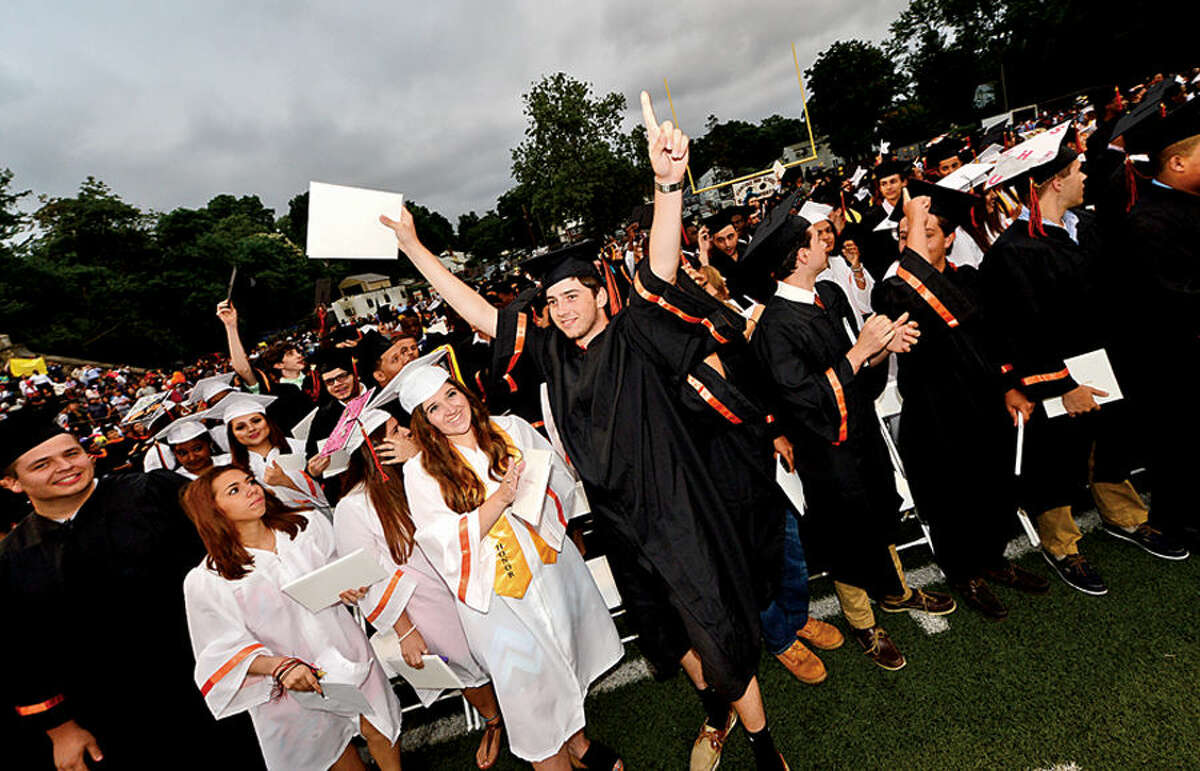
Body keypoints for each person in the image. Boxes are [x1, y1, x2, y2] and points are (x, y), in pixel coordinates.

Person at [382, 92, 790, 771]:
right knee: (666, 636)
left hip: (678, 510)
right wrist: (416, 249)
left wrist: (666, 184)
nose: (561, 306)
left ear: (601, 293)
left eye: (572, 294)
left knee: (714, 626)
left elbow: (659, 263)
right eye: (551, 300)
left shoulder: (636, 336)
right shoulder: (549, 355)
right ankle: (714, 711)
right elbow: (483, 315)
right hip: (618, 523)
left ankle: (762, 744)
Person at [748, 198, 955, 672]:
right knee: (846, 536)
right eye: (815, 238)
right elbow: (805, 401)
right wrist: (862, 351)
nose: (826, 241)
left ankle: (897, 592)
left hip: (862, 435)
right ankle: (863, 621)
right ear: (799, 255)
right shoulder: (775, 327)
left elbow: (858, 367)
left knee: (882, 511)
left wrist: (883, 349)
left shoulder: (831, 296)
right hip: (827, 450)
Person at [981, 126, 1186, 598]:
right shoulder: (1013, 253)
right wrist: (1060, 386)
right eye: (1076, 170)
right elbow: (1017, 334)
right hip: (1055, 377)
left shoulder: (1088, 228)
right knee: (1054, 462)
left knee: (1113, 441)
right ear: (1055, 180)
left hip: (1108, 365)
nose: (1085, 176)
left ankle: (1125, 515)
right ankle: (1061, 543)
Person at [396, 356, 623, 770]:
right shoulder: (421, 471)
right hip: (497, 599)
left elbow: (558, 483)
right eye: (433, 408)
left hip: (549, 571)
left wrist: (536, 497)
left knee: (566, 660)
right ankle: (553, 756)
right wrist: (500, 499)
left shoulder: (512, 428)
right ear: (424, 423)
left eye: (450, 394)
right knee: (530, 695)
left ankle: (577, 743)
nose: (449, 408)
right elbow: (439, 540)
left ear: (464, 392)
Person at [0, 409, 261, 770]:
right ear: (13, 483)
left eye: (72, 453)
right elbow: (21, 651)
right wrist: (60, 729)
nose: (65, 467)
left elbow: (239, 556)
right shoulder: (13, 557)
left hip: (217, 681)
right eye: (42, 464)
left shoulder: (156, 494)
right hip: (115, 716)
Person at [872, 187, 1051, 619]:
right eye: (905, 235)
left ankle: (992, 558)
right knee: (950, 497)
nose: (912, 241)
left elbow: (995, 339)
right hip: (934, 413)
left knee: (992, 486)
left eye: (926, 233)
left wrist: (1010, 385)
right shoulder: (891, 290)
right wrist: (913, 229)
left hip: (983, 402)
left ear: (950, 238)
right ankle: (964, 573)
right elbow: (905, 300)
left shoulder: (969, 278)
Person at [181, 466, 403, 771]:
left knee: (380, 725)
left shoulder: (305, 528)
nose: (252, 489)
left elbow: (342, 569)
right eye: (234, 490)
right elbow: (218, 650)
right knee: (331, 751)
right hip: (290, 682)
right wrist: (279, 667)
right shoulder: (209, 579)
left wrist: (350, 586)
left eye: (249, 481)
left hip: (344, 648)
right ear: (213, 510)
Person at [331, 403, 504, 769]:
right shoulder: (354, 507)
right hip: (425, 604)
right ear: (374, 449)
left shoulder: (425, 473)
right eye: (396, 431)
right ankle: (494, 720)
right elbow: (369, 579)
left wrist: (421, 460)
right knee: (464, 663)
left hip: (474, 574)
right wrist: (406, 631)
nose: (408, 433)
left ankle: (528, 714)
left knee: (506, 647)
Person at [1112, 95, 1200, 551]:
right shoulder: (1148, 221)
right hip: (1172, 363)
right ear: (1178, 163)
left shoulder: (1183, 207)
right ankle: (1179, 523)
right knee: (1181, 450)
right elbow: (1172, 298)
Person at [217, 393, 329, 513]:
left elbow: (325, 498)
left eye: (256, 421)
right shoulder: (230, 467)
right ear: (232, 434)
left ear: (267, 421)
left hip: (318, 518)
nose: (251, 429)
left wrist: (286, 482)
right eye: (240, 427)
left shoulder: (300, 447)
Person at [144, 415, 232, 479]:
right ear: (174, 453)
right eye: (182, 453)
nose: (192, 457)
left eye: (197, 449)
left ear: (210, 444)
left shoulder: (230, 461)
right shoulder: (176, 480)